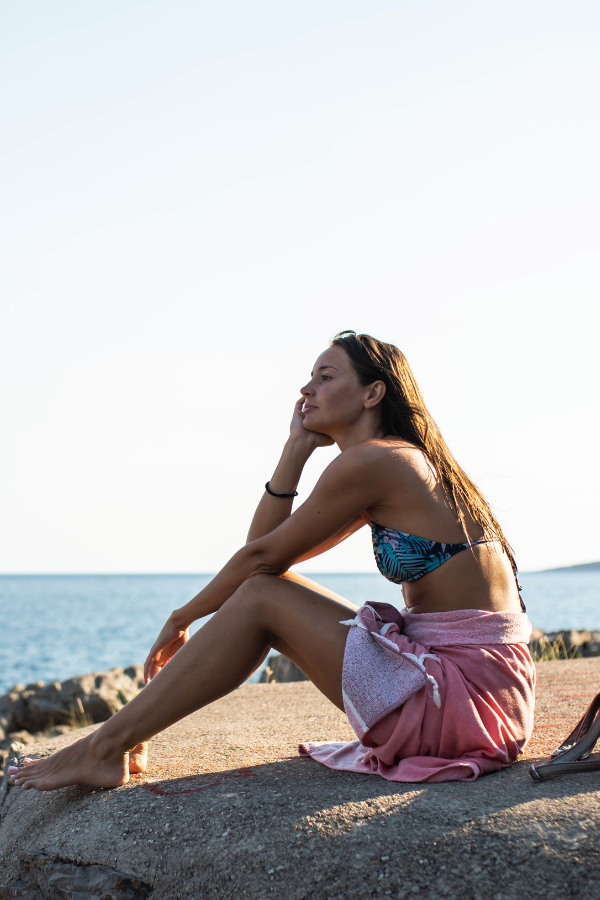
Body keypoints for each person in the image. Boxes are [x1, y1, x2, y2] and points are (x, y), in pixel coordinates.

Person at [9, 331, 534, 790]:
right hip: (483, 699)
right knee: (264, 591)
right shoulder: (392, 462)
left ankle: (105, 748)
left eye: (325, 377)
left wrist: (180, 617)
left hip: (463, 702)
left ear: (373, 392)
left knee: (263, 596)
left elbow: (259, 558)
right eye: (308, 378)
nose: (306, 390)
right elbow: (266, 552)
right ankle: (112, 744)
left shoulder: (378, 461)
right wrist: (295, 451)